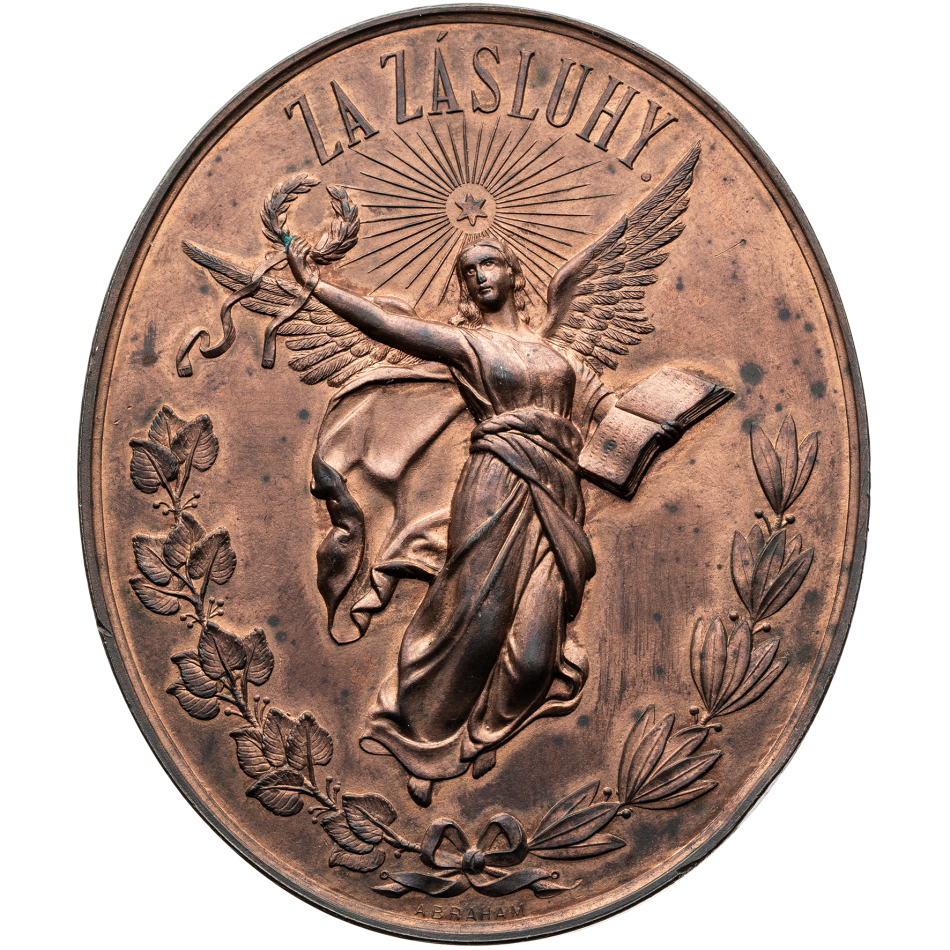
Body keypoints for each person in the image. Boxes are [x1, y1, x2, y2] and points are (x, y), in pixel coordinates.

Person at [288, 236, 615, 806]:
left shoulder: (560, 355)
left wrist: (660, 416)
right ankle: (419, 741)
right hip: (493, 485)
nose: (479, 276)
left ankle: (485, 733)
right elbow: (387, 325)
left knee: (534, 651)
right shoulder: (468, 345)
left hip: (559, 494)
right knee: (472, 620)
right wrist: (316, 285)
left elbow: (610, 413)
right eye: (469, 271)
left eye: (490, 264)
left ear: (515, 273)